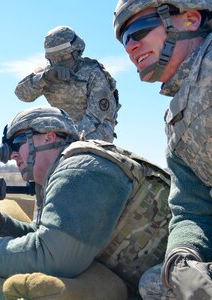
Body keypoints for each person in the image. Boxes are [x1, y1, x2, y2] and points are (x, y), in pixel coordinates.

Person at [0, 106, 171, 296]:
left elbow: (52, 256)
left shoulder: (81, 169)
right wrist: (0, 225)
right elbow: (46, 234)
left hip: (175, 277)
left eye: (17, 143)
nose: (12, 155)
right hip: (140, 277)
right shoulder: (57, 174)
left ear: (49, 136)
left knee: (154, 284)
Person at [113, 0, 212, 298]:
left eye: (138, 31)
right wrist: (182, 259)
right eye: (124, 41)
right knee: (156, 283)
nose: (130, 47)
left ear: (190, 19)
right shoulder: (176, 120)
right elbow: (191, 206)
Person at [14, 26, 120, 142]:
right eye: (55, 58)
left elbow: (97, 117)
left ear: (76, 52)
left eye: (64, 56)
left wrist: (66, 135)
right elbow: (22, 94)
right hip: (64, 132)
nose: (59, 61)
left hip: (96, 130)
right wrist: (45, 78)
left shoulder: (93, 72)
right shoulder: (49, 74)